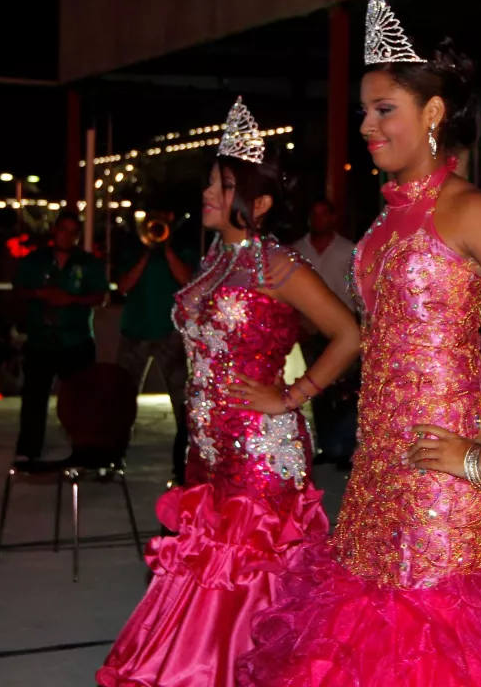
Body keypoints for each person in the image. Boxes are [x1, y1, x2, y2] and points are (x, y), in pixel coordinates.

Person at [238, 0, 481, 687]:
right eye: (364, 110)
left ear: (432, 113)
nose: (366, 125)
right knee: (367, 625)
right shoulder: (383, 221)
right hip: (378, 457)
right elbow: (374, 337)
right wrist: (298, 390)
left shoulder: (470, 211)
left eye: (383, 108)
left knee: (427, 634)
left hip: (440, 464)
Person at [98, 97, 361, 686]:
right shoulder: (215, 260)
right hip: (208, 445)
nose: (208, 193)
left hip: (260, 448)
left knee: (251, 567)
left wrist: (293, 395)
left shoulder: (277, 265)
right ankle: (205, 667)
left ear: (258, 203)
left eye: (222, 185)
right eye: (210, 183)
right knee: (211, 561)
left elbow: (349, 334)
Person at [11, 211, 108, 461]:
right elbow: (18, 289)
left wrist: (71, 299)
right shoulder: (35, 260)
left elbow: (101, 297)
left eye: (73, 232)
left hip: (76, 340)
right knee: (34, 399)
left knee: (81, 400)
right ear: (55, 230)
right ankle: (28, 451)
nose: (68, 236)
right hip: (40, 340)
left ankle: (84, 451)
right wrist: (39, 294)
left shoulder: (88, 263)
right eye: (64, 230)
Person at [114, 210, 195, 485]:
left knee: (182, 403)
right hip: (134, 334)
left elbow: (187, 280)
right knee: (123, 400)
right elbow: (123, 285)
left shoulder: (182, 250)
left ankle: (185, 464)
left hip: (170, 335)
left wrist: (167, 249)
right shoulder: (133, 250)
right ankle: (115, 455)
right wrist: (147, 252)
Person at [293, 198, 360, 468]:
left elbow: (357, 291)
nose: (319, 219)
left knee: (344, 389)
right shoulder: (297, 251)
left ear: (332, 218)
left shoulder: (348, 250)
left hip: (341, 330)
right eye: (315, 214)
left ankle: (345, 449)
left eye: (324, 214)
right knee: (315, 387)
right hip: (309, 330)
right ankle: (326, 446)